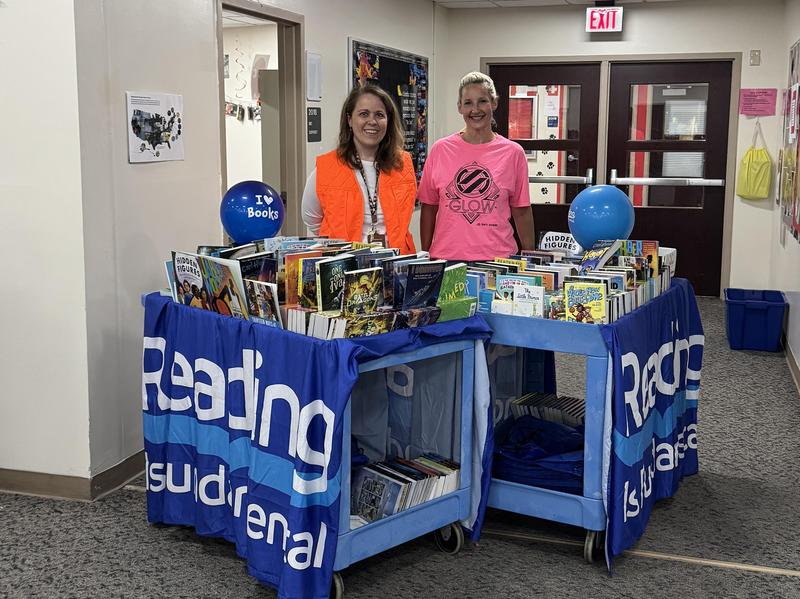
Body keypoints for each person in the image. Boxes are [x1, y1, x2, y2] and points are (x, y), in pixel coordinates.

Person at [419, 71, 535, 261]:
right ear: (459, 107)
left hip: (499, 260)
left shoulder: (513, 153)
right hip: (446, 259)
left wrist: (530, 259)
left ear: (494, 103)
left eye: (482, 101)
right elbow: (429, 207)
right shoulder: (440, 150)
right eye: (468, 103)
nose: (475, 109)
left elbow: (521, 210)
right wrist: (425, 255)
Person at [302, 85, 417, 253]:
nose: (372, 121)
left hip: (396, 267)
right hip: (344, 270)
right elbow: (311, 219)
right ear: (349, 120)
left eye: (379, 115)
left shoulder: (403, 165)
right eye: (364, 114)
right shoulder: (326, 168)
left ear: (388, 120)